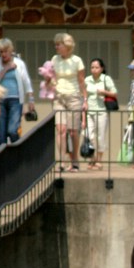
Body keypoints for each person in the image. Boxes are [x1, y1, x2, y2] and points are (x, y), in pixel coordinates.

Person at [0, 38, 36, 145]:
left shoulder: (19, 63)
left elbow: (26, 81)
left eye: (6, 51)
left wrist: (31, 99)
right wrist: (6, 69)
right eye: (1, 52)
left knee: (13, 131)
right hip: (0, 100)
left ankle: (19, 152)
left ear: (11, 51)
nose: (4, 54)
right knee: (2, 134)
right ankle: (3, 159)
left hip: (15, 100)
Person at [52, 32, 87, 171]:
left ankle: (75, 160)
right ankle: (61, 160)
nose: (56, 47)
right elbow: (53, 77)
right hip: (59, 97)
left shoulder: (77, 60)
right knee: (61, 130)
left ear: (66, 46)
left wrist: (85, 100)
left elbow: (81, 80)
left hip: (74, 97)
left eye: (58, 44)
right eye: (56, 44)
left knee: (73, 131)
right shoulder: (54, 59)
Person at [84, 57, 117, 169]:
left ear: (102, 68)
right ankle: (92, 159)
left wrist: (104, 92)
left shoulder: (105, 79)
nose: (94, 69)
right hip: (89, 111)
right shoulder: (87, 79)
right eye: (92, 67)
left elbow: (114, 93)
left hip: (102, 111)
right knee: (89, 136)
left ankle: (99, 160)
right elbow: (83, 94)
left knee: (100, 136)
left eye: (97, 67)